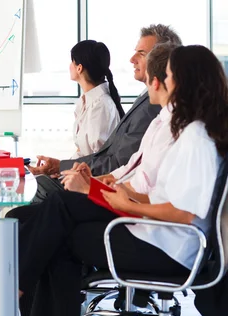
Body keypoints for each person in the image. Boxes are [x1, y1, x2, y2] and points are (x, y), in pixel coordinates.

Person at [0, 45, 228, 316]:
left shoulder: (195, 137)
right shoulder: (178, 128)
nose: (160, 80)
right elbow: (157, 187)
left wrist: (127, 205)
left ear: (184, 83)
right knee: (37, 225)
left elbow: (185, 213)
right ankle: (0, 305)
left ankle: (0, 302)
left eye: (169, 75)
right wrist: (111, 188)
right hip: (148, 231)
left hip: (166, 248)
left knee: (56, 223)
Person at [29, 24, 182, 201]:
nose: (132, 59)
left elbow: (119, 163)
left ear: (161, 61)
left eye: (141, 53)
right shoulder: (146, 102)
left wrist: (75, 175)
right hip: (103, 181)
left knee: (42, 193)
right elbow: (121, 163)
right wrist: (67, 170)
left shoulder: (151, 109)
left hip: (114, 192)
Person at [98, 41, 176, 195]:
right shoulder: (158, 119)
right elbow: (132, 167)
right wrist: (93, 182)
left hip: (129, 204)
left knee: (58, 203)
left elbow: (149, 190)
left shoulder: (166, 121)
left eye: (141, 53)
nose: (132, 59)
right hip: (121, 191)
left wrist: (94, 187)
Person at [67, 40, 124, 159]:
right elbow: (82, 152)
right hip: (80, 171)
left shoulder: (101, 105)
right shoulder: (85, 101)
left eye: (72, 61)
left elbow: (98, 159)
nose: (69, 66)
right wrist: (59, 168)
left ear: (79, 68)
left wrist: (61, 168)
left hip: (91, 175)